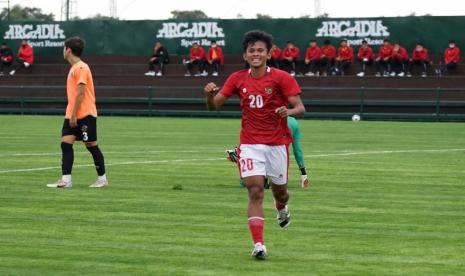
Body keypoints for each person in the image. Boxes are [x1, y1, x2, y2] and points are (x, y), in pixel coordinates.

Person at [203, 30, 305, 260]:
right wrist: (210, 95)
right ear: (245, 55)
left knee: (281, 193)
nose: (256, 54)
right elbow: (214, 106)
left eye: (260, 50)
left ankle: (282, 208)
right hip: (249, 144)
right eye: (252, 51)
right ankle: (259, 244)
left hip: (277, 144)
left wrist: (287, 111)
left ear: (269, 53)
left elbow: (300, 107)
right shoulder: (237, 78)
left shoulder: (281, 77)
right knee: (255, 191)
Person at [47, 37, 108, 189]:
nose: (63, 50)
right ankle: (66, 180)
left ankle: (102, 179)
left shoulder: (81, 67)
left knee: (91, 145)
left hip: (85, 114)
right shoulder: (74, 68)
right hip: (71, 114)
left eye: (63, 47)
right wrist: (71, 114)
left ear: (68, 50)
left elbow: (81, 93)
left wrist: (74, 115)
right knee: (65, 144)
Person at [227, 116, 309, 189]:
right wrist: (303, 172)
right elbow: (297, 150)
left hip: (265, 151)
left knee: (253, 183)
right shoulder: (293, 122)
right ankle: (241, 157)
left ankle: (240, 156)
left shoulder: (267, 120)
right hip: (276, 154)